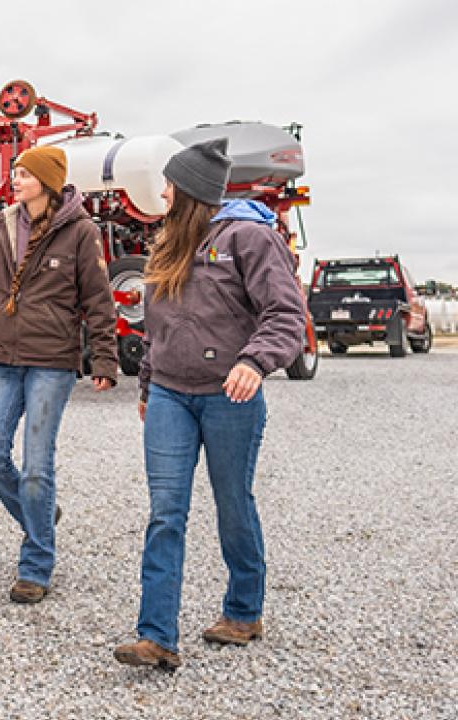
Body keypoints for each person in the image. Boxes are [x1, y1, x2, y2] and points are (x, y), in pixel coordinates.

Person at [113, 138, 305, 670]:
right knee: (165, 514)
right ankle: (157, 636)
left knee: (232, 504)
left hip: (229, 394)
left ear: (190, 190)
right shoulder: (165, 245)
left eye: (170, 184)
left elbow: (286, 314)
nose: (163, 192)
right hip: (172, 394)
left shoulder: (248, 237)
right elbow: (159, 327)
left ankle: (244, 611)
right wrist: (149, 386)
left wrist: (255, 362)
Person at [0, 146, 119, 605]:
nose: (15, 179)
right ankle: (41, 517)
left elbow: (99, 300)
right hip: (3, 357)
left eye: (24, 173)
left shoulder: (80, 232)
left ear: (46, 181)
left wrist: (104, 360)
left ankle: (36, 562)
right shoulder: (3, 228)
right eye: (16, 172)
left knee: (36, 466)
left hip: (52, 362)